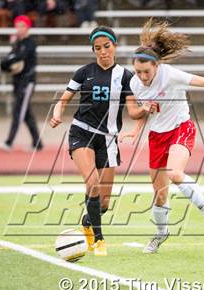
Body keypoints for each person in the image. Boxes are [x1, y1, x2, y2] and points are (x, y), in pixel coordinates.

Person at [124, 19, 204, 254]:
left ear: (156, 66)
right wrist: (138, 124)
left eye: (147, 71)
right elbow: (139, 111)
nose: (143, 76)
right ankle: (161, 233)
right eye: (138, 71)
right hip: (156, 137)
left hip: (180, 128)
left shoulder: (171, 74)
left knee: (175, 173)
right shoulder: (135, 83)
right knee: (160, 196)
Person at [49, 26, 152, 256]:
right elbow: (63, 100)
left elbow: (133, 112)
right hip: (81, 132)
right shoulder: (83, 73)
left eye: (107, 46)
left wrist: (145, 108)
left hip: (108, 139)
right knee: (92, 182)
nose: (102, 51)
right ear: (93, 50)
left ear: (114, 46)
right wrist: (57, 114)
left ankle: (88, 221)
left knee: (103, 203)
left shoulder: (126, 77)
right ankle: (99, 239)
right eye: (97, 48)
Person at [0, 15, 43, 152]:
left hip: (27, 83)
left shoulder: (30, 43)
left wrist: (8, 62)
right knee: (26, 114)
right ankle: (38, 143)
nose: (19, 29)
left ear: (27, 27)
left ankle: (9, 142)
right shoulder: (17, 44)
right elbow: (6, 62)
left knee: (18, 112)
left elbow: (19, 58)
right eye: (17, 26)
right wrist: (6, 64)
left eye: (22, 26)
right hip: (17, 82)